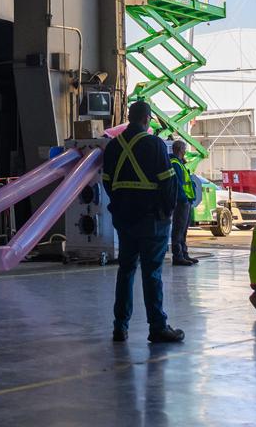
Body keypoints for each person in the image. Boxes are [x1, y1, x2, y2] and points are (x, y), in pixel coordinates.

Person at [103, 101, 183, 344]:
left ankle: (120, 326)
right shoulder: (154, 144)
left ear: (129, 117)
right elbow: (168, 184)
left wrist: (121, 205)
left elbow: (108, 182)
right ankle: (157, 327)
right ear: (147, 119)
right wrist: (167, 212)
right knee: (152, 274)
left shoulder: (113, 146)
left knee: (125, 271)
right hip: (152, 220)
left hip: (124, 219)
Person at [168, 139, 202, 266]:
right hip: (181, 202)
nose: (185, 151)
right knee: (179, 229)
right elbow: (177, 183)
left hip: (186, 201)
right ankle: (178, 256)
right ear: (180, 150)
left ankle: (184, 254)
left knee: (183, 229)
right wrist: (183, 198)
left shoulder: (179, 163)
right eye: (184, 149)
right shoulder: (175, 163)